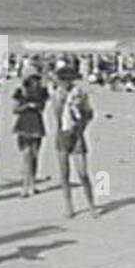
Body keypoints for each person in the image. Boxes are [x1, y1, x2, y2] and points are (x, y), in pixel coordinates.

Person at [52, 64, 99, 219]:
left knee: (82, 173)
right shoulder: (56, 94)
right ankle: (68, 206)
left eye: (65, 80)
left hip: (77, 134)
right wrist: (62, 100)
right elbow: (57, 116)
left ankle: (91, 205)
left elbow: (89, 113)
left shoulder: (79, 93)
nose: (63, 83)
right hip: (62, 134)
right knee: (64, 173)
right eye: (61, 80)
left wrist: (82, 125)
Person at [11, 72, 48, 196]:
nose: (37, 83)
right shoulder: (21, 91)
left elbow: (42, 107)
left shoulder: (42, 92)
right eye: (34, 80)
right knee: (26, 155)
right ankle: (25, 185)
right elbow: (15, 109)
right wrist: (27, 105)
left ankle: (32, 183)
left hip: (36, 123)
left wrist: (37, 105)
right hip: (24, 123)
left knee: (35, 155)